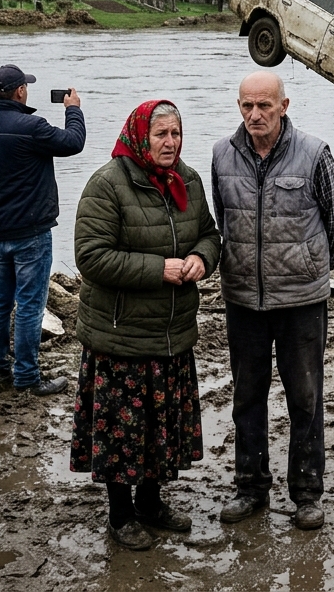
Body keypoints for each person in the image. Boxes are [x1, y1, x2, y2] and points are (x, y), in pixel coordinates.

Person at [70, 100, 220, 551]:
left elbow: (209, 234)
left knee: (159, 429)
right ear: (140, 137)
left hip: (171, 333)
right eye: (161, 135)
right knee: (123, 434)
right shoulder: (107, 184)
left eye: (176, 133)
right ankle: (120, 515)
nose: (170, 143)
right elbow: (91, 257)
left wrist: (201, 259)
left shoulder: (188, 181)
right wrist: (160, 269)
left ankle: (151, 503)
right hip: (121, 336)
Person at [211, 71, 334, 530]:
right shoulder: (221, 154)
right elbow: (223, 218)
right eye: (247, 106)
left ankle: (307, 494)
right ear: (239, 107)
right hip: (242, 300)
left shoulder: (314, 152)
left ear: (284, 106)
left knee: (305, 399)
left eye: (264, 106)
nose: (255, 115)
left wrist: (312, 267)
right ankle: (250, 488)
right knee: (246, 397)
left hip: (301, 301)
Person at [0, 64, 86, 396]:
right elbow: (74, 142)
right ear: (20, 91)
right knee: (30, 306)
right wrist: (73, 109)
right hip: (31, 232)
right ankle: (27, 377)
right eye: (26, 87)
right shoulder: (33, 126)